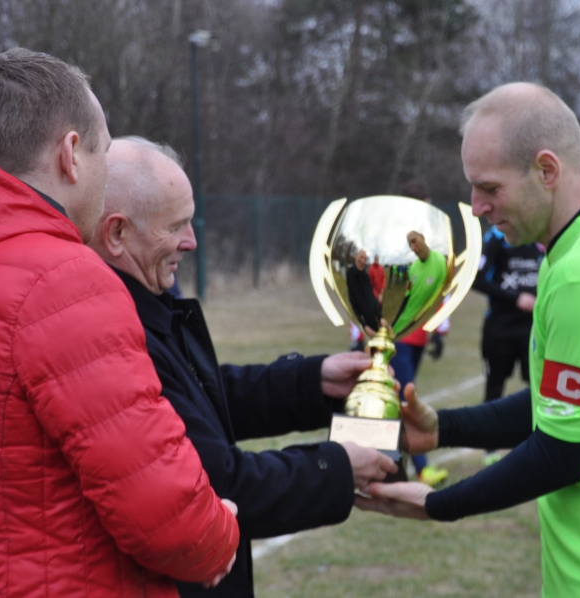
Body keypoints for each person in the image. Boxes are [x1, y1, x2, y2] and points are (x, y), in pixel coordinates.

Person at [356, 82, 580, 598]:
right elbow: (559, 402)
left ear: (547, 170)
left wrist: (437, 503)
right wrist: (443, 429)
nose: (476, 206)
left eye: (490, 188)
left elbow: (560, 453)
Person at [0, 49, 238, 597]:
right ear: (71, 154)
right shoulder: (63, 281)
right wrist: (217, 533)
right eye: (104, 153)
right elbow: (166, 515)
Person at [89, 136, 398, 598]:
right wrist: (335, 468)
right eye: (176, 226)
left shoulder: (146, 306)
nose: (191, 241)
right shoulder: (109, 330)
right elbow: (216, 483)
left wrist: (311, 383)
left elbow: (201, 399)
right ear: (116, 234)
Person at [471, 225, 544, 466]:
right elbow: (476, 279)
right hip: (500, 328)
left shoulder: (543, 231)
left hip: (534, 329)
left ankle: (540, 445)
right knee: (495, 387)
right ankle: (490, 450)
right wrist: (515, 298)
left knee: (539, 388)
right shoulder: (496, 236)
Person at [389, 230, 450, 487]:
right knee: (404, 398)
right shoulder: (400, 257)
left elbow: (437, 292)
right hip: (398, 340)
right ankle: (421, 469)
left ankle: (392, 463)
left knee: (401, 399)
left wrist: (438, 330)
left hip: (418, 339)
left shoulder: (434, 260)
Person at [346, 248, 383, 332]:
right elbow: (352, 301)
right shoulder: (350, 273)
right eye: (361, 257)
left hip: (371, 319)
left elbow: (372, 298)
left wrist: (380, 317)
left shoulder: (366, 277)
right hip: (360, 323)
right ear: (356, 257)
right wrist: (363, 325)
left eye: (365, 259)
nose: (363, 261)